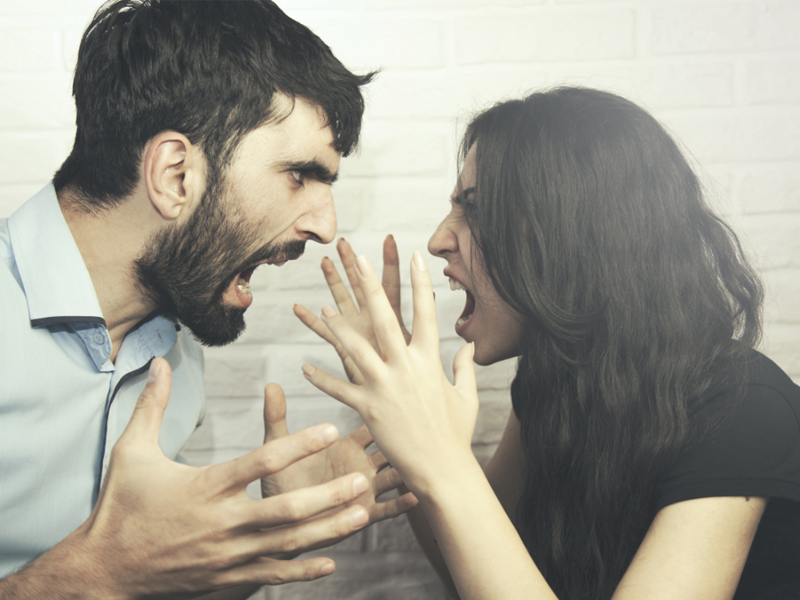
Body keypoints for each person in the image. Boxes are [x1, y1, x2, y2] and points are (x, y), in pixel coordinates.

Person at [295, 87, 800, 599]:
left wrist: (441, 458)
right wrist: (405, 431)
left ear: (574, 233)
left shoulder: (744, 409)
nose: (439, 239)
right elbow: (473, 573)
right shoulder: (555, 381)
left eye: (475, 209)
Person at [0, 1, 417, 598]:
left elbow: (146, 581)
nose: (326, 226)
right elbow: (106, 573)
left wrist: (271, 535)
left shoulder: (178, 357)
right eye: (299, 175)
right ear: (176, 175)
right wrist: (89, 576)